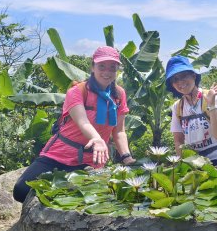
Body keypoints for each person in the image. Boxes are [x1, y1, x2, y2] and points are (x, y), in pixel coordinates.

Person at [13, 46, 135, 203]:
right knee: (21, 191)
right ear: (93, 67)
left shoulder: (119, 95)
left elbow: (119, 132)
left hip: (90, 160)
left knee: (86, 198)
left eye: (112, 67)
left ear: (117, 69)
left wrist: (126, 157)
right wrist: (97, 139)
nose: (107, 71)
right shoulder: (78, 91)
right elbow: (82, 121)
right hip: (58, 154)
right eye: (102, 66)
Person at [165, 55, 217, 166]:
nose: (180, 82)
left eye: (183, 76)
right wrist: (180, 165)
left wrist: (212, 105)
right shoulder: (178, 107)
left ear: (193, 76)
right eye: (175, 79)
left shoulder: (213, 98)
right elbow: (178, 140)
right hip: (197, 163)